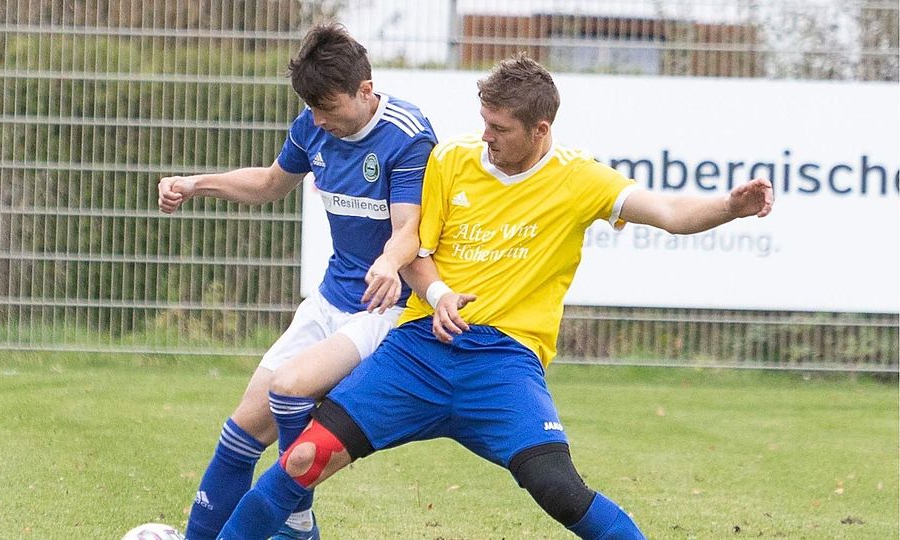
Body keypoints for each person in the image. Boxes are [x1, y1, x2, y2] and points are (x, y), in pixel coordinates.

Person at [215, 54, 774, 539]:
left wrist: (729, 207)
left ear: (539, 129)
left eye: (500, 127)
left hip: (504, 365)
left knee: (559, 489)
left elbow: (673, 214)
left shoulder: (580, 179)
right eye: (484, 121)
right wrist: (437, 295)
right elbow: (411, 248)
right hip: (417, 353)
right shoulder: (451, 161)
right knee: (303, 460)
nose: (485, 135)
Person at [157, 23, 437, 540]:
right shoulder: (313, 125)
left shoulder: (408, 135)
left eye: (329, 107)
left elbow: (408, 230)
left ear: (365, 90)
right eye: (312, 108)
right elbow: (268, 184)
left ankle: (298, 522)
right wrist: (195, 184)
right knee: (242, 430)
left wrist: (388, 263)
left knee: (289, 393)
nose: (319, 120)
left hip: (383, 309)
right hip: (331, 298)